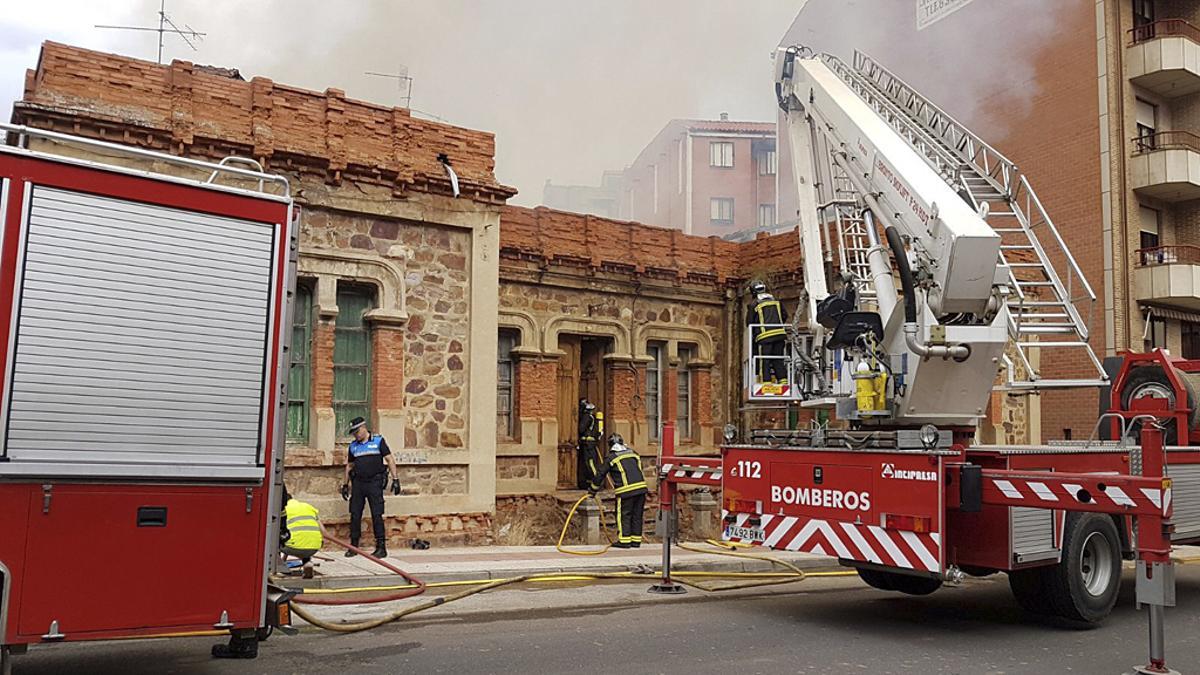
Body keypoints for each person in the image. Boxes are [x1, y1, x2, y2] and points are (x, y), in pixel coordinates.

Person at [341, 416, 401, 559]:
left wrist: (396, 479)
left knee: (376, 514)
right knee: (355, 514)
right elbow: (349, 466)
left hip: (374, 482)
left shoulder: (378, 441)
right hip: (359, 484)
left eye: (356, 432)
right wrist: (345, 484)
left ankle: (381, 547)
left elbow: (389, 459)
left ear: (363, 428)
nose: (355, 435)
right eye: (353, 433)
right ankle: (353, 546)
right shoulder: (353, 446)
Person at [588, 433, 648, 548]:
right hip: (641, 488)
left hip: (626, 491)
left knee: (624, 515)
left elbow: (600, 474)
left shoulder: (611, 458)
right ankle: (636, 540)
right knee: (637, 515)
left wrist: (592, 490)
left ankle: (624, 540)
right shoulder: (634, 454)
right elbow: (639, 468)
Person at [748, 280, 789, 385]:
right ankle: (783, 381)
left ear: (753, 291)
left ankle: (765, 382)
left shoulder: (754, 304)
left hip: (764, 337)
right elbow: (785, 316)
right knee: (778, 359)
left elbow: (749, 322)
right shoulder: (776, 301)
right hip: (780, 335)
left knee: (764, 360)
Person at [281, 489, 323, 579]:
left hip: (293, 547)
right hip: (314, 547)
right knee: (305, 539)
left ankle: (279, 567)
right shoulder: (307, 506)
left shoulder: (283, 509)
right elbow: (323, 530)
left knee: (274, 538)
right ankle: (307, 564)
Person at [577, 399, 604, 488]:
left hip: (588, 444)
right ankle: (587, 483)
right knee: (587, 464)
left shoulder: (587, 417)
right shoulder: (591, 417)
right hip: (588, 444)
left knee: (590, 463)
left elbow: (581, 429)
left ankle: (597, 482)